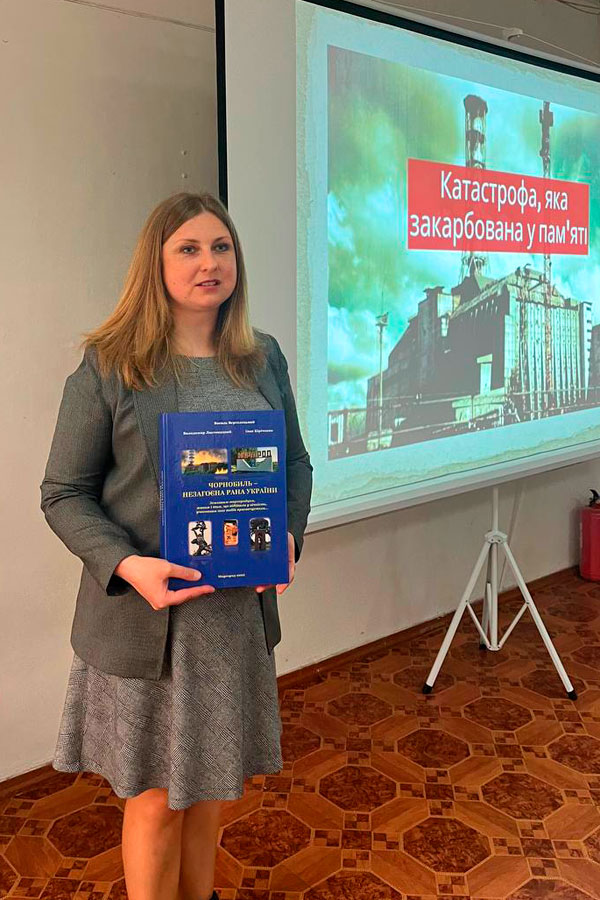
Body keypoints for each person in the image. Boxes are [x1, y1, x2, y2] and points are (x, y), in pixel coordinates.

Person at [40, 192, 312, 900]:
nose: (208, 262)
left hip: (233, 620)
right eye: (188, 249)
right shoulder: (111, 365)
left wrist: (287, 535)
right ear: (155, 265)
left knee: (212, 788)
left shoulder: (262, 357)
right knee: (158, 802)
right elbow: (63, 493)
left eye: (221, 247)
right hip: (149, 621)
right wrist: (129, 565)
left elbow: (295, 464)